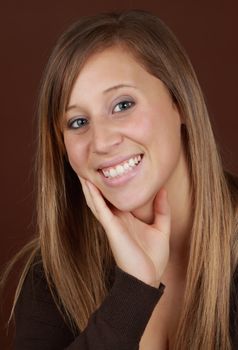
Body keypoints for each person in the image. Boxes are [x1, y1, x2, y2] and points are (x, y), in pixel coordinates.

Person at [3, 9, 238, 350]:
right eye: (78, 122)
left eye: (122, 104)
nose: (100, 142)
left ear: (180, 102)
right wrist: (132, 294)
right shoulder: (51, 273)